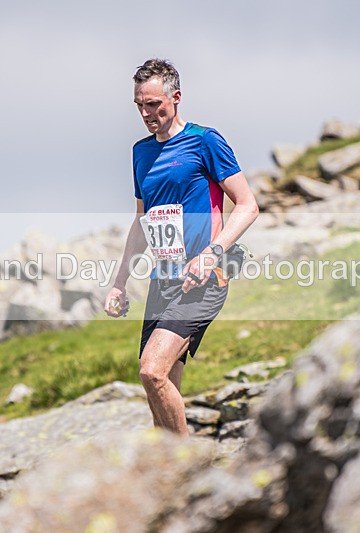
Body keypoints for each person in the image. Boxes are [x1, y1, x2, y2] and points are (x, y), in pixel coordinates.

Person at [104, 58, 259, 437]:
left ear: (176, 97)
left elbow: (248, 205)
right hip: (164, 279)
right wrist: (119, 282)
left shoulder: (205, 140)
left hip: (205, 277)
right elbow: (141, 225)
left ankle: (186, 466)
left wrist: (212, 253)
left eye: (154, 104)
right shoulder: (140, 152)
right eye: (139, 104)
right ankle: (172, 478)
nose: (146, 113)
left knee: (150, 370)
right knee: (160, 388)